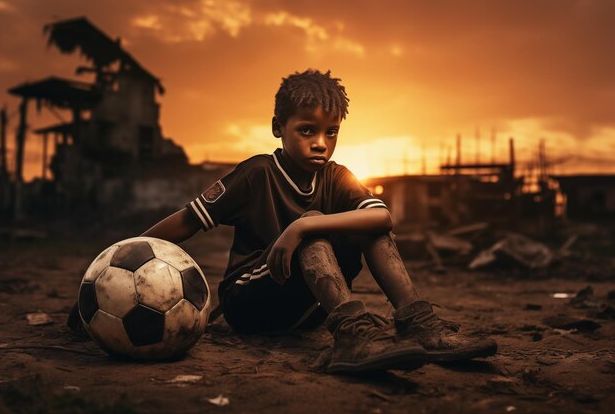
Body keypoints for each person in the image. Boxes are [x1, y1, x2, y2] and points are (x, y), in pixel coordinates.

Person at [70, 69, 497, 373]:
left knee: (368, 226)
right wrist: (113, 264)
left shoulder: (338, 177)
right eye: (307, 130)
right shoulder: (256, 174)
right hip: (249, 299)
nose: (321, 143)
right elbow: (186, 221)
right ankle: (351, 337)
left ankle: (420, 326)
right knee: (315, 225)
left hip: (307, 310)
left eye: (331, 132)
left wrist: (303, 226)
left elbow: (384, 217)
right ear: (278, 127)